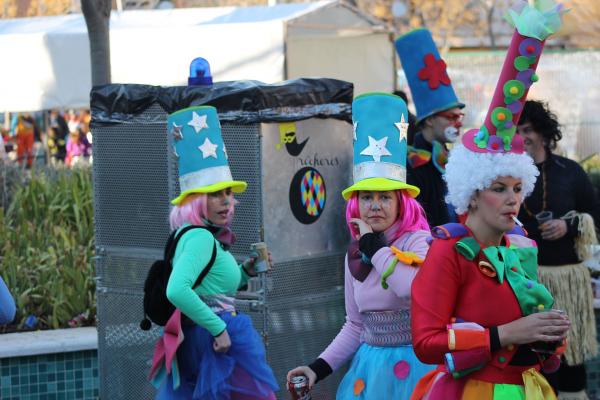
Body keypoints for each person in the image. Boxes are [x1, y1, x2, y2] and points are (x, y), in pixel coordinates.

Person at [411, 2, 570, 398]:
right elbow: (426, 343)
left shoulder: (521, 247)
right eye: (499, 188)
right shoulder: (449, 251)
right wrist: (506, 334)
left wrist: (548, 339)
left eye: (517, 189)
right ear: (473, 194)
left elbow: (538, 350)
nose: (512, 199)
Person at [287, 93, 435, 399]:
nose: (375, 206)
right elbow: (355, 326)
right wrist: (316, 369)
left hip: (418, 370)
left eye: (385, 197)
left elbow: (412, 289)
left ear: (400, 202)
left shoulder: (419, 241)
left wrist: (374, 246)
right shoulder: (355, 253)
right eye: (367, 197)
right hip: (371, 372)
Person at [150, 106, 279, 400]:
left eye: (228, 193)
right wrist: (219, 328)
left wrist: (246, 270)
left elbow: (208, 285)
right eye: (215, 194)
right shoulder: (200, 239)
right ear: (196, 201)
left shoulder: (198, 235)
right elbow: (177, 290)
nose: (225, 202)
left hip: (204, 338)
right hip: (212, 340)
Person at [517, 100, 599, 400]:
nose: (522, 136)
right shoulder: (509, 177)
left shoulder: (570, 172)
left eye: (527, 129)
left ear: (543, 133)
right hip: (526, 283)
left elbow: (596, 213)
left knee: (570, 356)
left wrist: (571, 226)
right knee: (532, 361)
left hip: (569, 281)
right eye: (516, 130)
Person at [395, 29, 466, 227]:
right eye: (451, 117)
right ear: (429, 120)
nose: (457, 123)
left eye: (459, 116)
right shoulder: (411, 163)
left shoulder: (455, 159)